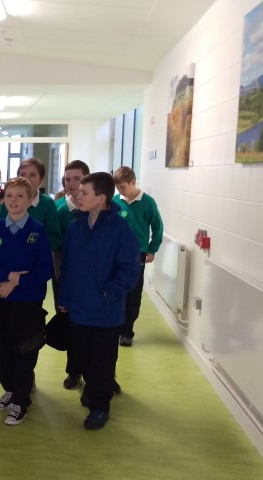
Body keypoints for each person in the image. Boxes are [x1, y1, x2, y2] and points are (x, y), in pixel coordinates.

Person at [58, 172, 140, 430]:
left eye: (84, 193)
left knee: (102, 361)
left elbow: (129, 271)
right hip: (79, 309)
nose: (78, 195)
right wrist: (64, 296)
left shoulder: (120, 230)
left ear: (101, 198)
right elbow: (67, 267)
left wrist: (107, 294)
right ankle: (92, 391)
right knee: (81, 356)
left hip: (106, 312)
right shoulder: (75, 227)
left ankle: (100, 406)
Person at [0, 177, 54, 425]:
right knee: (3, 349)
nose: (14, 200)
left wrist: (17, 281)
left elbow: (45, 270)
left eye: (20, 196)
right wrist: (9, 276)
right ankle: (10, 390)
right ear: (3, 199)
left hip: (27, 303)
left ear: (30, 200)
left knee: (25, 350)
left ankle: (21, 400)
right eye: (10, 195)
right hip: (0, 299)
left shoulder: (37, 230)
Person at [112, 166, 163, 347]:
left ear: (133, 182)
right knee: (116, 290)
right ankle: (114, 328)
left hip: (137, 254)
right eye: (118, 188)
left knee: (133, 293)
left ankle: (127, 331)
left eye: (123, 187)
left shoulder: (148, 202)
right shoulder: (115, 201)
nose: (120, 191)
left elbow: (158, 227)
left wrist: (152, 249)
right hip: (115, 252)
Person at [55, 160, 90, 390]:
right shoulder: (61, 211)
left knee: (94, 329)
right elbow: (57, 249)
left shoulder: (97, 209)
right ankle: (74, 371)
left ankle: (99, 374)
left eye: (77, 179)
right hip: (67, 278)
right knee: (71, 326)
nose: (72, 184)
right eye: (68, 179)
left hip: (93, 280)